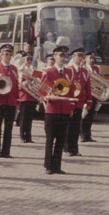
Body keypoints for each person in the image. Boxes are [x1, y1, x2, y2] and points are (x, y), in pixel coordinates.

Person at [42, 46, 74, 174]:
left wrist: (71, 107)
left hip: (64, 109)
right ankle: (48, 165)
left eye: (64, 56)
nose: (62, 58)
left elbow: (71, 91)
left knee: (61, 139)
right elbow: (43, 90)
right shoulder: (48, 72)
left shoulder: (69, 72)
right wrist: (48, 94)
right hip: (52, 109)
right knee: (50, 139)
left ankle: (57, 165)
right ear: (54, 56)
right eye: (60, 55)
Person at [65, 48, 92, 157]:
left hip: (80, 102)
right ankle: (66, 148)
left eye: (82, 56)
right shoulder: (68, 69)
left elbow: (87, 87)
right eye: (78, 56)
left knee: (76, 126)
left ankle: (74, 148)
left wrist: (89, 101)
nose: (81, 58)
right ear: (73, 57)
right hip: (70, 101)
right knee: (68, 126)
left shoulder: (85, 71)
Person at [17, 52, 38, 143]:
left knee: (29, 118)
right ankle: (22, 136)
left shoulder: (34, 69)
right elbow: (19, 84)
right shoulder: (21, 70)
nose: (29, 61)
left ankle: (28, 136)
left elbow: (38, 82)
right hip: (24, 96)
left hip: (32, 96)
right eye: (27, 59)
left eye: (30, 59)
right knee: (23, 118)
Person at [80, 51, 100, 143]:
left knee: (91, 116)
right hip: (86, 95)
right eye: (90, 58)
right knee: (84, 116)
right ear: (86, 59)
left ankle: (88, 135)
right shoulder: (83, 68)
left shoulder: (96, 68)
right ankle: (83, 135)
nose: (92, 60)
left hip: (94, 95)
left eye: (93, 58)